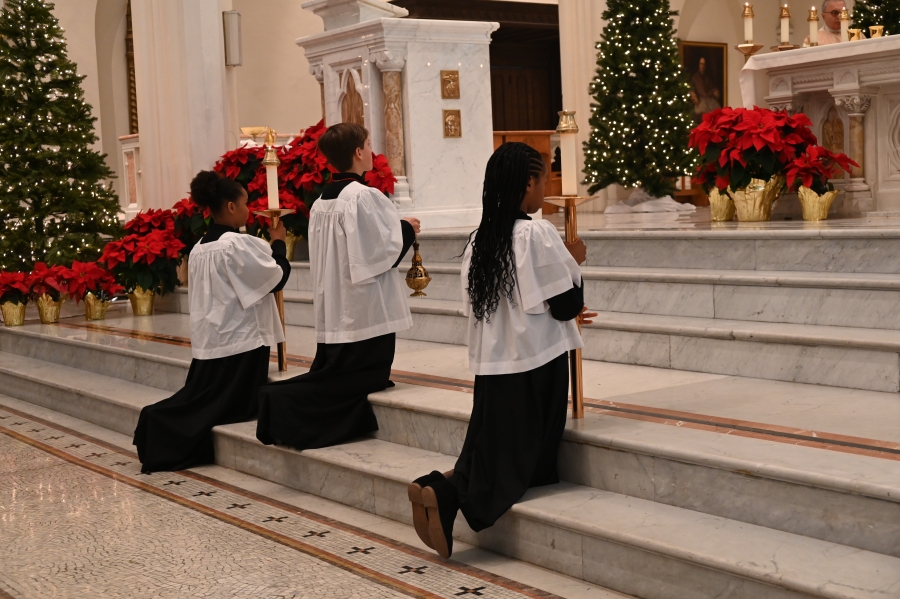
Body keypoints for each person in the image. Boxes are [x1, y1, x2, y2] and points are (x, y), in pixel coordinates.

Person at [406, 142, 596, 559]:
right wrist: (572, 261)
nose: (545, 187)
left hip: (493, 363)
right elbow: (564, 304)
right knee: (515, 458)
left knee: (492, 443)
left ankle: (438, 486)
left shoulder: (481, 239)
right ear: (527, 182)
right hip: (535, 362)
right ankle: (448, 492)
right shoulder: (537, 233)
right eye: (543, 178)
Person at [255, 123, 420, 450]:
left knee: (339, 373)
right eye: (369, 144)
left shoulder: (321, 202)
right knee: (350, 382)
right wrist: (407, 228)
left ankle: (282, 398)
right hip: (364, 309)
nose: (372, 151)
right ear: (358, 152)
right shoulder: (363, 196)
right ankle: (280, 400)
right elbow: (378, 252)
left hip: (337, 305)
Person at [133, 171, 291, 473]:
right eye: (245, 203)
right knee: (215, 406)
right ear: (231, 207)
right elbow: (276, 278)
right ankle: (159, 426)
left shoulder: (201, 247)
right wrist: (279, 244)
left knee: (204, 398)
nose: (249, 209)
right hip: (240, 343)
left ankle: (156, 425)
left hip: (213, 340)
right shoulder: (234, 244)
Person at [689, 57, 721, 124]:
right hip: (700, 101)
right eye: (701, 64)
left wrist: (715, 91)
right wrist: (694, 97)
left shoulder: (708, 77)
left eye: (704, 64)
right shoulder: (695, 77)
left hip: (709, 100)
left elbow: (713, 88)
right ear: (698, 65)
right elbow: (691, 89)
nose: (703, 66)